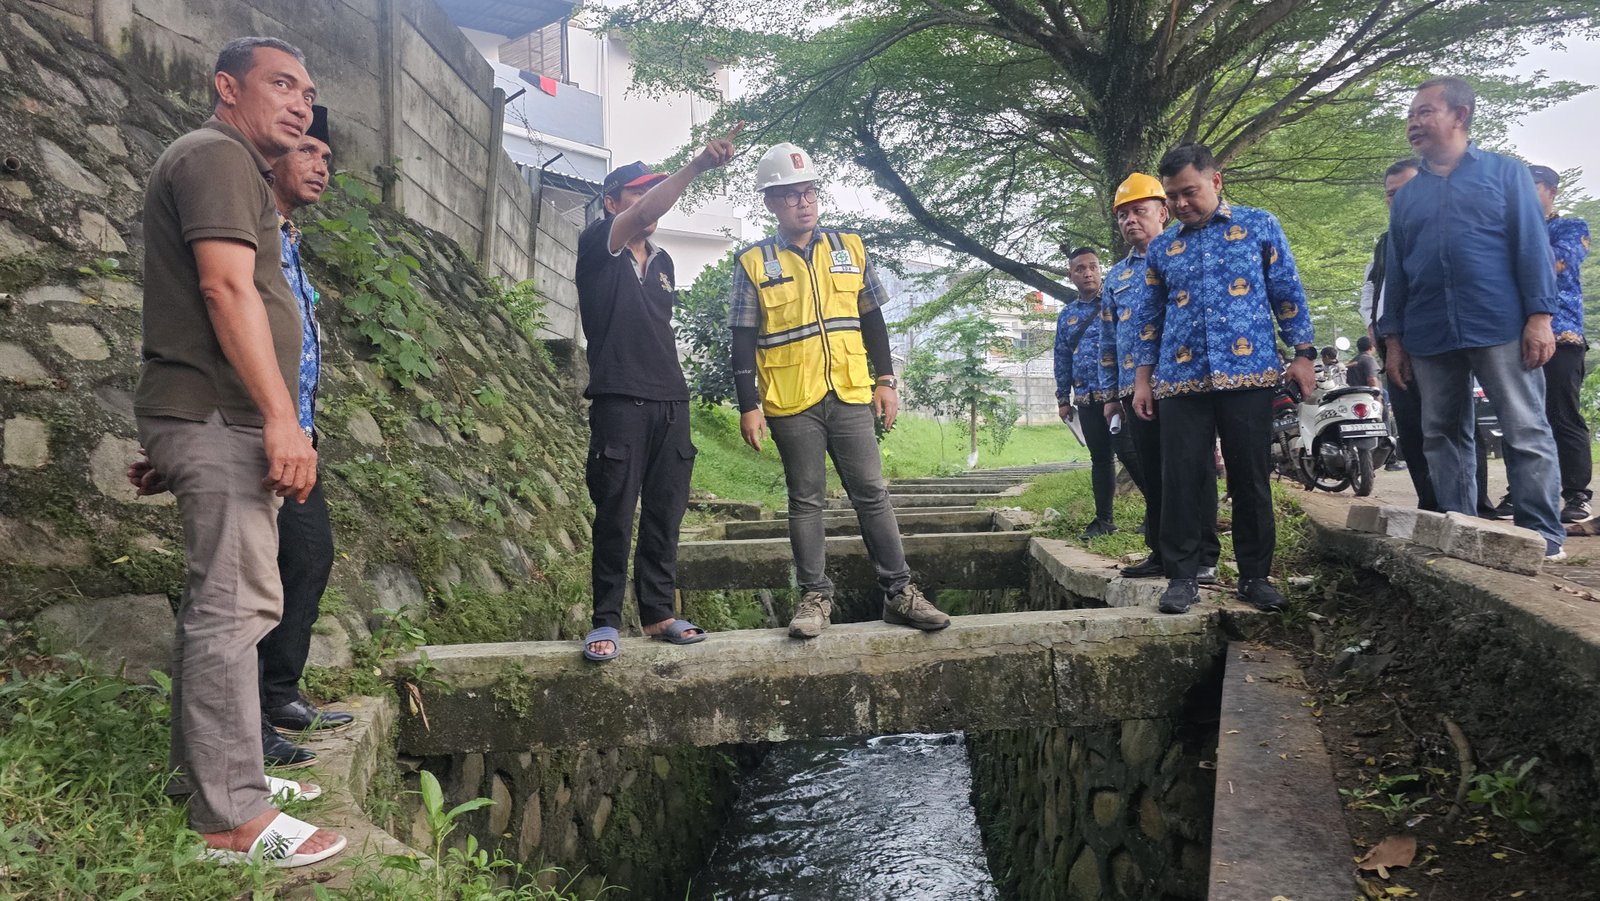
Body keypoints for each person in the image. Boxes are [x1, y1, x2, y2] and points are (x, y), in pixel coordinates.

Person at [132, 36, 343, 867]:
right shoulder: (217, 156)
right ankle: (232, 817)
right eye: (280, 84)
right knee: (235, 606)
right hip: (226, 415)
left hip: (210, 415)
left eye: (307, 89)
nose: (299, 102)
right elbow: (223, 289)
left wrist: (188, 428)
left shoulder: (232, 167)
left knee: (226, 602)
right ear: (227, 88)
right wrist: (280, 416)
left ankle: (218, 774)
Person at [730, 142, 950, 638]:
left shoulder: (850, 247)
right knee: (805, 499)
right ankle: (814, 599)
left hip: (850, 391)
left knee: (872, 492)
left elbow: (873, 320)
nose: (804, 203)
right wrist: (749, 405)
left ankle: (901, 593)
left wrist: (887, 380)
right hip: (791, 400)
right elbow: (741, 339)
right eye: (790, 195)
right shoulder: (753, 262)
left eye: (809, 192)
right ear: (770, 203)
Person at [1378, 76, 1565, 561]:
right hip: (1429, 329)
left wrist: (1540, 316)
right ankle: (1463, 530)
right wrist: (1393, 338)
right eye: (1411, 115)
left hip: (1499, 322)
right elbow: (1396, 272)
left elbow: (1532, 246)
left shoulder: (1505, 174)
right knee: (1441, 432)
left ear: (1460, 116)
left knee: (1524, 427)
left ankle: (1540, 536)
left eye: (1425, 112)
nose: (1413, 123)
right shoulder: (1409, 196)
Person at [575, 126, 741, 662]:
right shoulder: (599, 246)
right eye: (637, 196)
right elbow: (638, 215)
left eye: (651, 195)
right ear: (612, 203)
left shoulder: (665, 263)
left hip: (673, 401)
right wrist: (694, 166)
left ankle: (657, 613)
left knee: (665, 512)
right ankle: (605, 619)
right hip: (620, 400)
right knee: (616, 512)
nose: (648, 207)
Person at [1131, 142, 1317, 615]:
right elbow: (1149, 319)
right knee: (1183, 479)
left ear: (1216, 181)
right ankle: (1183, 576)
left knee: (1250, 476)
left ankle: (1255, 576)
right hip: (1181, 380)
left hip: (1248, 374)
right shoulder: (1163, 248)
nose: (1180, 204)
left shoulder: (1259, 225)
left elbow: (1287, 291)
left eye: (1188, 192)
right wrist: (1142, 380)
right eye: (1171, 197)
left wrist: (1302, 354)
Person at [1096, 173, 1219, 584]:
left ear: (1163, 212)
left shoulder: (1186, 258)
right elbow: (1109, 338)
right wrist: (1111, 394)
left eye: (1140, 211)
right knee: (1153, 471)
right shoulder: (1116, 277)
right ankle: (1162, 551)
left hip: (1185, 385)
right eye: (1123, 215)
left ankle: (1204, 553)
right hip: (1135, 389)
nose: (1131, 220)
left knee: (1194, 468)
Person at [1359, 159, 1435, 500]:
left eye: (1405, 191)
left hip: (1437, 343)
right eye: (1391, 194)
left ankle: (1472, 504)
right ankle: (1430, 502)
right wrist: (1376, 330)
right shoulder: (1385, 244)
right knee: (1410, 425)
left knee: (1450, 424)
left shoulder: (1445, 230)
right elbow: (1371, 293)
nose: (1397, 200)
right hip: (1394, 344)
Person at [1054, 247, 1140, 540]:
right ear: (1071, 275)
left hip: (1117, 394)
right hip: (1086, 398)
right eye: (1080, 268)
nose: (1088, 273)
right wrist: (1063, 399)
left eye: (1093, 266)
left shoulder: (1115, 302)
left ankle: (1158, 513)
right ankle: (1104, 520)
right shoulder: (1067, 316)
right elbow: (1062, 357)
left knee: (1130, 454)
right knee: (1100, 458)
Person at [1531, 164, 1592, 523]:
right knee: (1523, 416)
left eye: (1533, 186)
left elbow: (1558, 262)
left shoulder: (1571, 227)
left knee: (1562, 413)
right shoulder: (1508, 231)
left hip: (1562, 333)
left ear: (1551, 191)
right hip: (1514, 337)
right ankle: (1525, 489)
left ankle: (1576, 494)